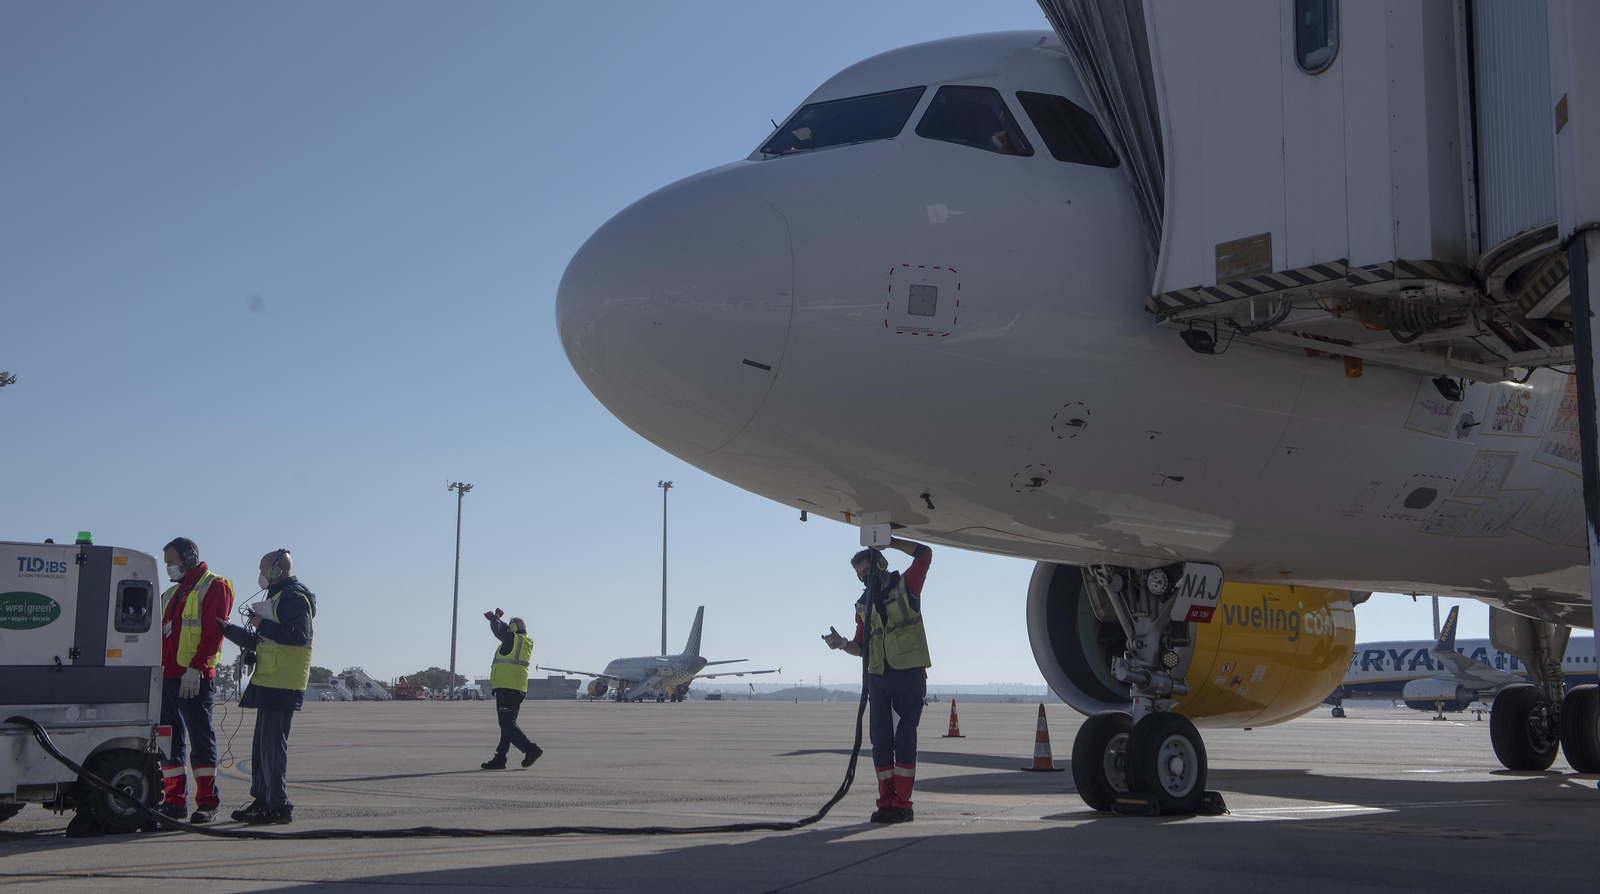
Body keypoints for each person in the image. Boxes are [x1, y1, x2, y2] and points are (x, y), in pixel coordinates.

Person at [821, 537, 932, 824]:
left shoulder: (906, 585)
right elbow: (861, 646)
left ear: (881, 565)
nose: (864, 577)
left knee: (904, 740)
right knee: (880, 743)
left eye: (867, 570)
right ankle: (886, 803)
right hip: (878, 678)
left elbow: (924, 554)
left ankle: (903, 805)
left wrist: (889, 542)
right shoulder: (862, 605)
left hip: (908, 674)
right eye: (860, 574)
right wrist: (842, 644)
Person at [220, 549, 314, 825]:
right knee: (262, 748)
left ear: (276, 570)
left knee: (272, 748)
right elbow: (261, 641)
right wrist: (227, 629)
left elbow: (298, 636)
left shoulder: (293, 597)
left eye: (263, 570)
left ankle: (278, 805)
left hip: (282, 683)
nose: (261, 575)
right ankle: (262, 800)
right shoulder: (278, 597)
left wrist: (261, 624)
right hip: (270, 680)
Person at [157, 537, 234, 823]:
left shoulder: (215, 586)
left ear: (190, 557)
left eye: (172, 562)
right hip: (167, 677)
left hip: (194, 677)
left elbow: (213, 633)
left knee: (200, 739)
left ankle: (207, 803)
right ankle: (174, 801)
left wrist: (197, 667)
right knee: (168, 741)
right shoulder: (170, 594)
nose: (169, 568)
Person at [480, 609, 543, 769]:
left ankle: (531, 749)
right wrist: (498, 620)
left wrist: (495, 618)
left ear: (514, 627)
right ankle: (500, 758)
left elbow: (497, 630)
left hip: (506, 687)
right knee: (508, 725)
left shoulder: (512, 639)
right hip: (518, 687)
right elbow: (504, 630)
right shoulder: (525, 641)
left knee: (507, 724)